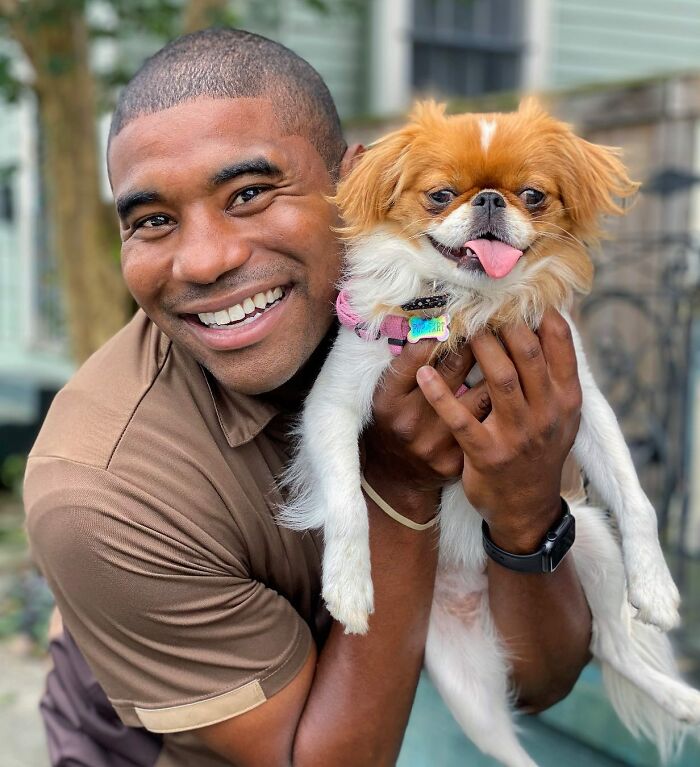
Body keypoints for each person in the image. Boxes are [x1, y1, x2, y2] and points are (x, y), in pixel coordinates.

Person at [25, 28, 592, 767]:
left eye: (251, 193)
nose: (205, 260)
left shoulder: (470, 323)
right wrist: (398, 483)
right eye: (153, 220)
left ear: (354, 181)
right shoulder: (102, 486)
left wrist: (525, 507)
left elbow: (540, 680)